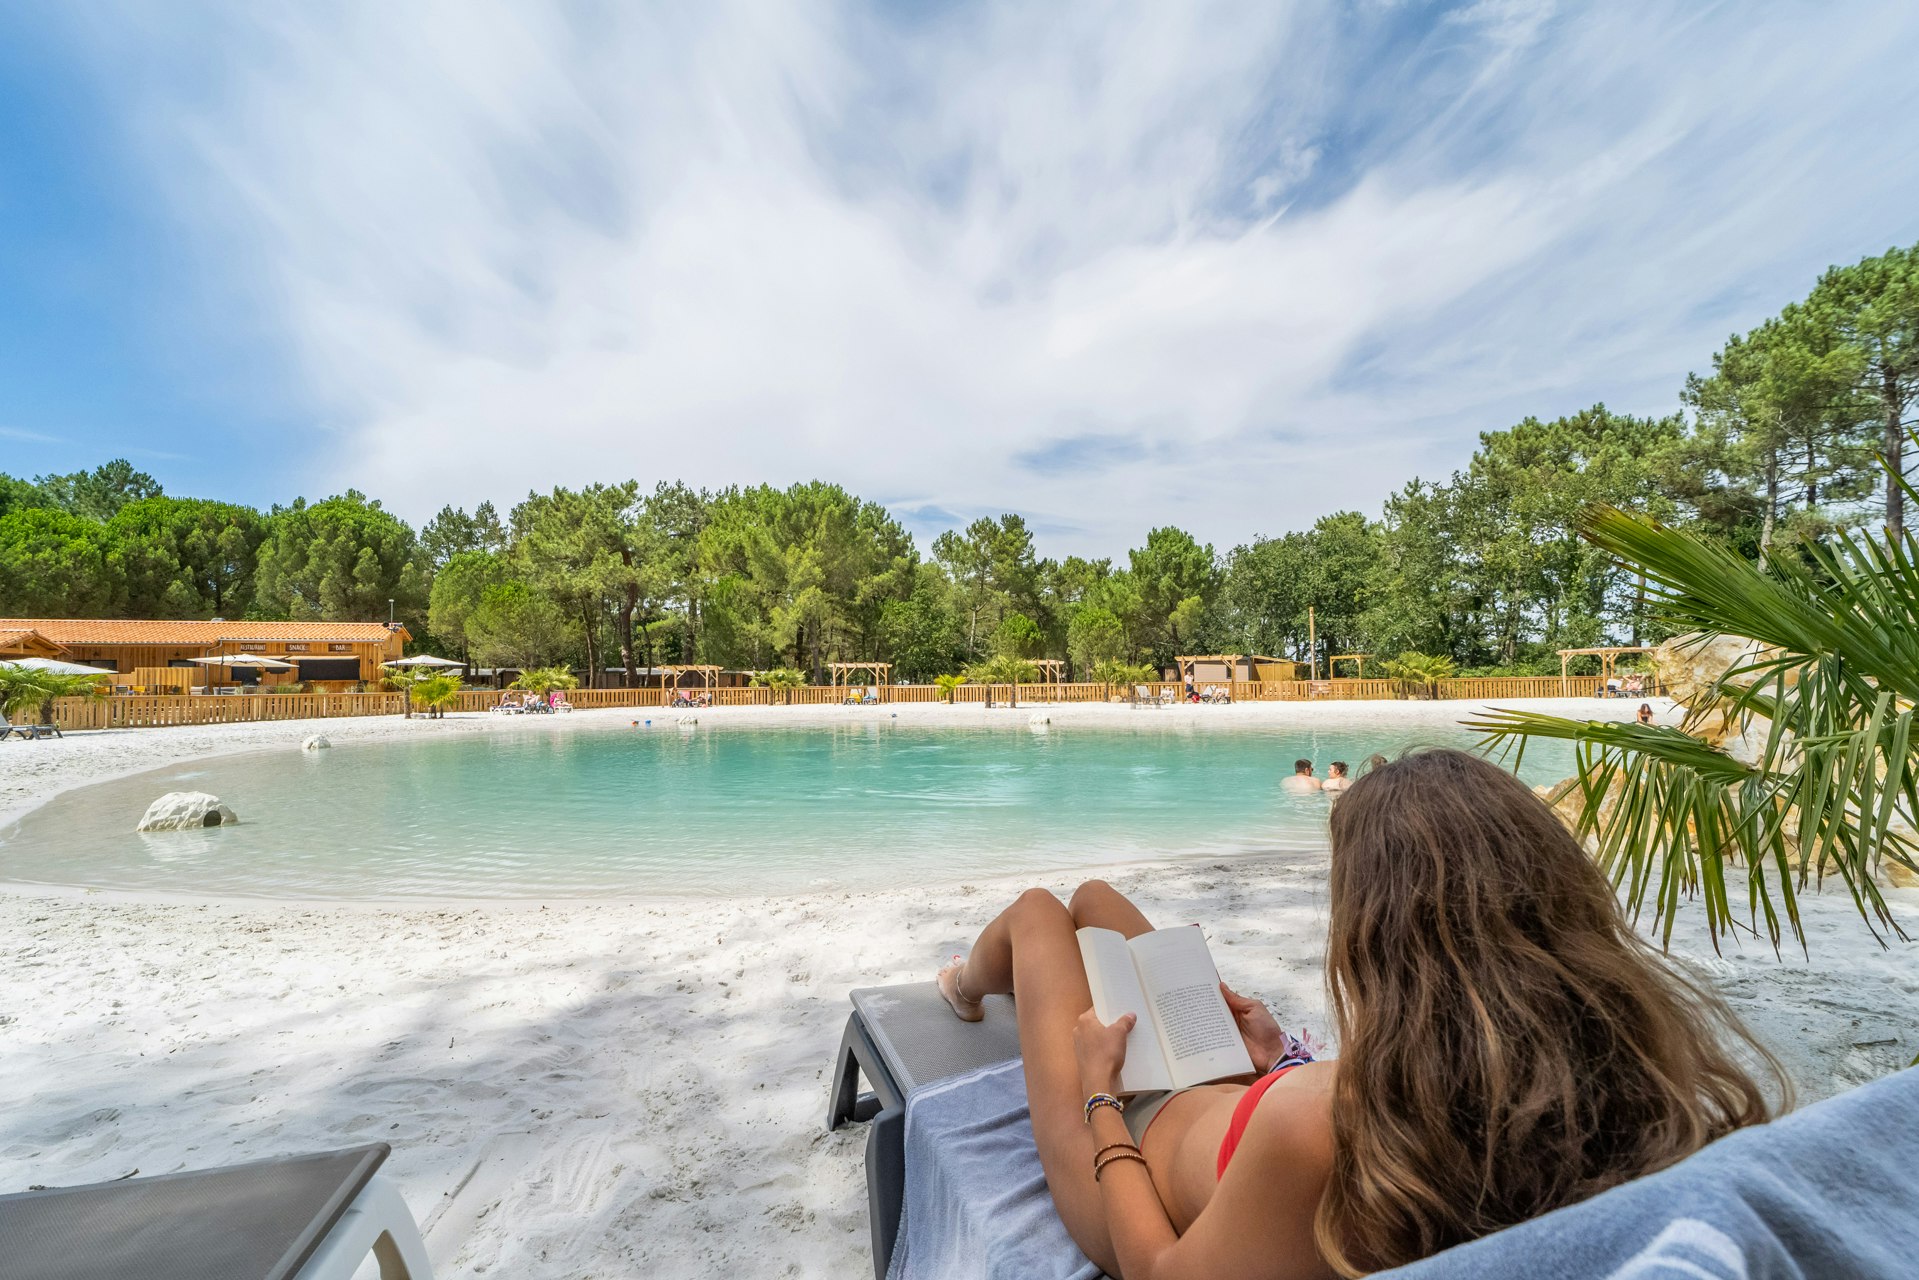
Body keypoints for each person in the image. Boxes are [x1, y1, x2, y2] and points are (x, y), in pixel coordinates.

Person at [933, 749, 1780, 1278]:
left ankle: (966, 988)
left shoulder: (1332, 1126)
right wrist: (1279, 1064)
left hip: (1140, 1149)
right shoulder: (1618, 1077)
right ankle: (978, 982)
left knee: (1043, 910)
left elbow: (1157, 1271)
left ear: (1372, 932)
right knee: (1097, 900)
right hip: (1237, 1095)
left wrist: (1102, 1101)